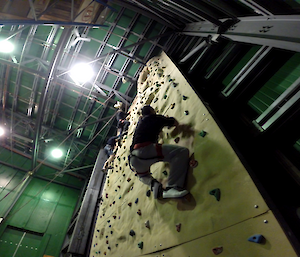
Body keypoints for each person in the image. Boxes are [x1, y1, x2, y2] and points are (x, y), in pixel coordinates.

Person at [129, 105, 190, 199]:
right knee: (181, 152)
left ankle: (153, 184)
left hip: (133, 159)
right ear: (152, 111)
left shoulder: (140, 124)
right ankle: (172, 187)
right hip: (145, 151)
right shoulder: (155, 118)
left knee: (143, 175)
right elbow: (173, 122)